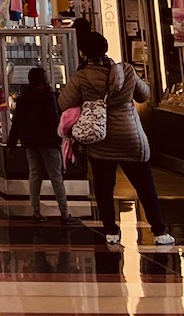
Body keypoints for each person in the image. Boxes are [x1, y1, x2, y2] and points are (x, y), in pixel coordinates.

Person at [59, 27, 174, 248]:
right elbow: (144, 94)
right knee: (145, 186)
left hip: (100, 139)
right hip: (130, 136)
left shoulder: (81, 77)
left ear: (83, 53)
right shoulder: (127, 71)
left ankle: (111, 231)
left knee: (104, 187)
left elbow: (64, 102)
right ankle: (159, 232)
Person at [7, 65, 70, 222]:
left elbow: (17, 122)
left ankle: (36, 211)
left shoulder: (23, 98)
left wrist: (12, 144)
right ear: (43, 81)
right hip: (48, 142)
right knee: (56, 175)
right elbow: (54, 120)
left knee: (35, 175)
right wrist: (59, 140)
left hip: (30, 142)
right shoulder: (49, 97)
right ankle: (64, 213)